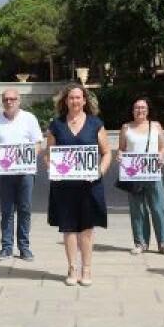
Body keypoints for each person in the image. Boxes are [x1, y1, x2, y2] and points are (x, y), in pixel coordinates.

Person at [44, 83, 112, 287]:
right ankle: (72, 268)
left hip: (89, 185)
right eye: (71, 98)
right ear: (65, 101)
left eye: (78, 97)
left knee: (87, 229)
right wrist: (50, 168)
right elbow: (49, 155)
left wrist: (100, 171)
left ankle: (87, 269)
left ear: (84, 100)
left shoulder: (95, 124)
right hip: (64, 186)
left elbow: (107, 152)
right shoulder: (56, 125)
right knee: (69, 228)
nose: (75, 101)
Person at [0, 88, 44, 261]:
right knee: (7, 210)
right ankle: (6, 247)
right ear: (2, 101)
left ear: (19, 100)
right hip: (5, 173)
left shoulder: (29, 118)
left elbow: (38, 142)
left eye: (12, 99)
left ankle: (24, 247)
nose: (9, 102)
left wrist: (32, 154)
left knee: (25, 209)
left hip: (26, 172)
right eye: (6, 99)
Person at [118, 97, 164, 255]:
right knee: (138, 209)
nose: (140, 110)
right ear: (132, 110)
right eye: (136, 107)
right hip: (133, 174)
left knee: (159, 207)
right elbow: (121, 148)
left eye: (143, 107)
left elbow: (163, 147)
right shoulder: (126, 127)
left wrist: (161, 156)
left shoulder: (155, 126)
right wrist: (120, 156)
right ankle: (140, 242)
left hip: (153, 172)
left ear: (148, 110)